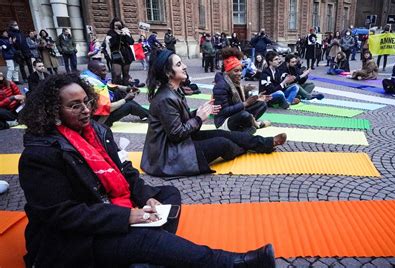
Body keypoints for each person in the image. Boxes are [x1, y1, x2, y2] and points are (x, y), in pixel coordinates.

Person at [18, 73, 276, 267]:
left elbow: (126, 172)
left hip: (111, 205)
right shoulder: (39, 155)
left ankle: (144, 255)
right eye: (74, 106)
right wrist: (128, 217)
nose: (86, 110)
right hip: (71, 240)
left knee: (169, 196)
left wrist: (145, 199)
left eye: (86, 102)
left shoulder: (97, 131)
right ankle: (232, 262)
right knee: (147, 239)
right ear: (53, 112)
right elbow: (63, 216)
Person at [141, 49, 286, 177]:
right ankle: (250, 144)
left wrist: (198, 112)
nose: (185, 66)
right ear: (167, 73)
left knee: (225, 135)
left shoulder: (174, 91)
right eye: (179, 65)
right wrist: (199, 118)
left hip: (181, 142)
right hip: (168, 155)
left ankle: (266, 142)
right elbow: (176, 133)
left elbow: (179, 120)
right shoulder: (165, 98)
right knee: (223, 143)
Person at [213, 47, 272, 134]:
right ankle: (253, 125)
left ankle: (249, 125)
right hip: (224, 122)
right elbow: (223, 112)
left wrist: (256, 98)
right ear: (227, 72)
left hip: (236, 114)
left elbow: (238, 100)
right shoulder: (220, 86)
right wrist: (246, 103)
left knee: (262, 104)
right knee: (245, 115)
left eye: (241, 70)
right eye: (236, 71)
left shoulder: (235, 82)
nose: (240, 74)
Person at [81, 60, 149, 126]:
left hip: (93, 114)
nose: (106, 72)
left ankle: (146, 113)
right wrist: (125, 99)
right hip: (99, 121)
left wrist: (127, 88)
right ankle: (151, 115)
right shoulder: (96, 87)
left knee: (118, 91)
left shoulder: (87, 76)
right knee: (130, 105)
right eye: (103, 70)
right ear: (94, 71)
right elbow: (108, 108)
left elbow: (108, 86)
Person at [106, 18, 135, 85]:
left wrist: (125, 34)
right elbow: (112, 44)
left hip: (126, 54)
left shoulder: (126, 31)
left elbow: (131, 42)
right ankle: (117, 90)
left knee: (126, 74)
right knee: (117, 74)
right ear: (113, 25)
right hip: (116, 55)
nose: (117, 27)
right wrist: (118, 35)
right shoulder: (111, 32)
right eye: (115, 25)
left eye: (119, 25)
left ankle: (125, 89)